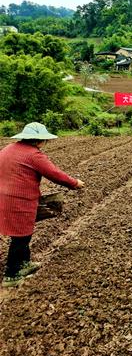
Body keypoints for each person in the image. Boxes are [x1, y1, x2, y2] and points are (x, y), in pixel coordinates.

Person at [0, 123, 85, 287]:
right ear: (39, 141)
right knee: (21, 236)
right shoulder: (34, 155)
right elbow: (55, 174)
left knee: (21, 233)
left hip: (4, 197)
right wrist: (75, 183)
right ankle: (11, 275)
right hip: (19, 200)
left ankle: (25, 263)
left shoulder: (8, 149)